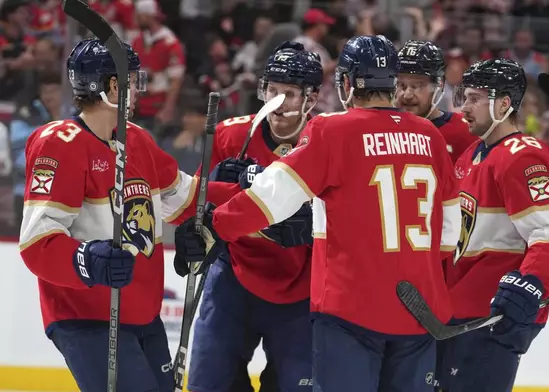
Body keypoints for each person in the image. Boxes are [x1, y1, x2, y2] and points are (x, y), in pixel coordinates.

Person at [176, 34, 462, 392]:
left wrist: (214, 226)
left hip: (351, 309)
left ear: (343, 83)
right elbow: (450, 230)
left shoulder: (333, 129)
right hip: (419, 309)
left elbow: (272, 196)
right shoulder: (430, 136)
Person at [18, 38, 198, 392]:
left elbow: (187, 199)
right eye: (131, 80)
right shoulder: (59, 143)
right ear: (111, 86)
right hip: (87, 317)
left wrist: (246, 187)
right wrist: (87, 259)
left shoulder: (138, 140)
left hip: (142, 313)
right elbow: (37, 242)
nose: (136, 90)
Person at [175, 41, 322, 392]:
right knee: (209, 385)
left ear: (311, 100)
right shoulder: (230, 136)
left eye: (289, 93)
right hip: (233, 281)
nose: (278, 102)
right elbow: (194, 206)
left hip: (302, 288)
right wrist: (192, 234)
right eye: (273, 90)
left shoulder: (326, 143)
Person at [440, 58, 549, 392]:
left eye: (474, 98)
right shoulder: (472, 154)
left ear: (504, 104)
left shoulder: (522, 155)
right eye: (463, 97)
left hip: (494, 316)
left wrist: (528, 284)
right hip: (459, 313)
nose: (464, 107)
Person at [395, 40, 477, 163]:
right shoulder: (383, 130)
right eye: (401, 85)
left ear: (439, 84)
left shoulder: (464, 132)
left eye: (417, 85)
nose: (407, 95)